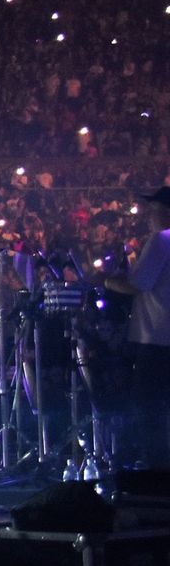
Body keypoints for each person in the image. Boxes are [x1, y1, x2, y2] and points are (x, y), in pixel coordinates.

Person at [103, 186, 170, 467]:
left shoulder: (162, 240)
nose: (147, 216)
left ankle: (155, 472)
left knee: (148, 408)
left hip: (155, 340)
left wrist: (104, 281)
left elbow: (136, 285)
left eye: (152, 210)